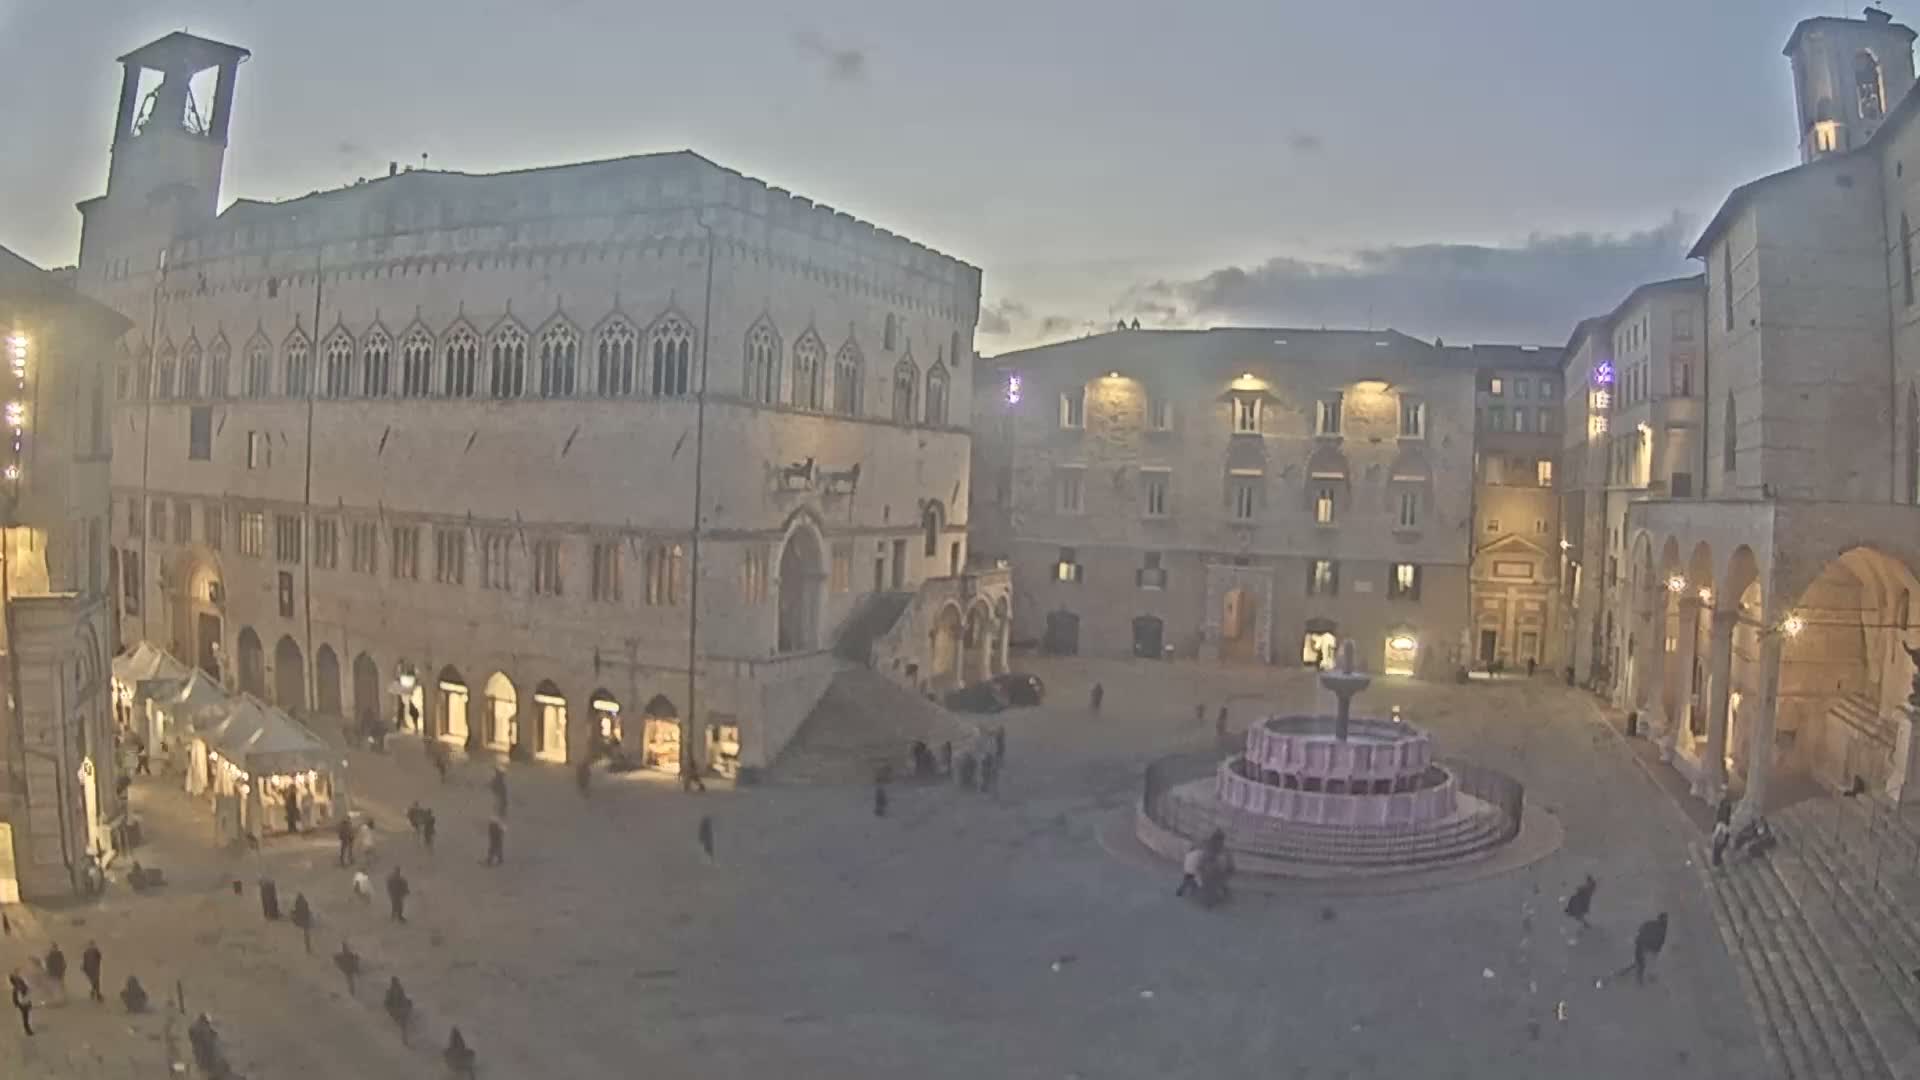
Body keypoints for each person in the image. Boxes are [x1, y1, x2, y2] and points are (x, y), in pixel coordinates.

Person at [1630, 912, 1668, 984]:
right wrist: (1656, 951)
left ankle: (1640, 978)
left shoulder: (1649, 923)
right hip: (1649, 948)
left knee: (1641, 963)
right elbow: (1660, 942)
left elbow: (1640, 929)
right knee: (1650, 963)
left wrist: (1638, 940)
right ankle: (1648, 977)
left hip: (1640, 945)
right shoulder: (1662, 930)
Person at [10, 969, 31, 1035]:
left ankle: (27, 1028)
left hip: (24, 1001)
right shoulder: (16, 988)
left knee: (26, 1016)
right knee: (25, 1016)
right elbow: (15, 995)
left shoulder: (19, 983)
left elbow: (26, 990)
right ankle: (27, 1029)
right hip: (22, 1002)